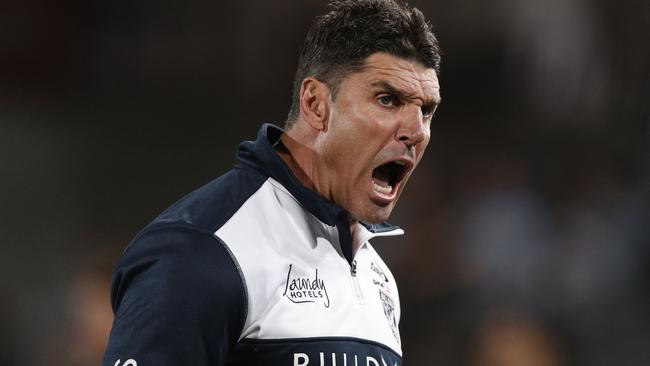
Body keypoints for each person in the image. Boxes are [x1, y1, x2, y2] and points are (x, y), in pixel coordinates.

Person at [102, 0, 441, 365]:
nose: (415, 131)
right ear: (315, 105)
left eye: (425, 110)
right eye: (387, 99)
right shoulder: (204, 249)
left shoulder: (379, 279)